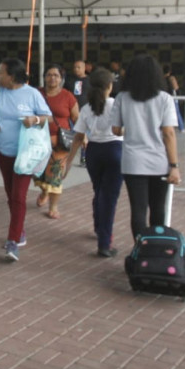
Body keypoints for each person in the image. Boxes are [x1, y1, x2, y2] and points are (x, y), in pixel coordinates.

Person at [0, 57, 52, 262]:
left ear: (12, 76)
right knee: (10, 195)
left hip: (26, 154)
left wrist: (35, 120)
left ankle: (13, 240)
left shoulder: (32, 94)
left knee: (19, 196)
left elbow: (47, 117)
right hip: (4, 151)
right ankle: (19, 230)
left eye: (0, 72)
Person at [110, 55, 181, 242]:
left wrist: (133, 126)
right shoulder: (165, 99)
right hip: (160, 161)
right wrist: (174, 165)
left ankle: (140, 249)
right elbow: (169, 134)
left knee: (138, 210)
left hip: (133, 161)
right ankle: (157, 250)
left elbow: (116, 129)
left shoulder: (122, 98)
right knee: (158, 208)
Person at [62, 68, 123, 257]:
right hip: (115, 151)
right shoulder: (117, 104)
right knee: (109, 198)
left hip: (93, 153)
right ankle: (104, 243)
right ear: (110, 86)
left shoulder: (87, 108)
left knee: (99, 192)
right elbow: (124, 130)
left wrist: (69, 161)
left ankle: (99, 227)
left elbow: (79, 136)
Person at [36, 64, 79, 219]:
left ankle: (53, 207)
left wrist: (83, 137)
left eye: (56, 75)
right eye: (49, 74)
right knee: (38, 174)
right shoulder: (37, 93)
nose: (52, 78)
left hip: (61, 143)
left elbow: (77, 119)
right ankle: (44, 191)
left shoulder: (68, 96)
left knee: (55, 175)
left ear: (61, 79)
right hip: (38, 141)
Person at [162, 65, 185, 132]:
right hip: (172, 97)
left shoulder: (161, 78)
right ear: (170, 71)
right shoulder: (171, 78)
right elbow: (176, 87)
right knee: (176, 112)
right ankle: (181, 128)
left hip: (164, 97)